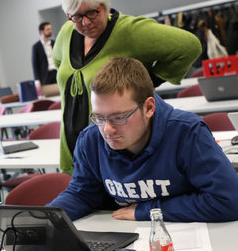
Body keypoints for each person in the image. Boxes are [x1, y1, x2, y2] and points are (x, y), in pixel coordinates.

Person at [49, 57, 238, 222]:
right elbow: (81, 195)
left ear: (148, 108)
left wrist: (148, 210)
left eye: (119, 117)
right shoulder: (90, 140)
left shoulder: (187, 133)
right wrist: (42, 220)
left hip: (186, 237)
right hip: (125, 237)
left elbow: (229, 201)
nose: (107, 129)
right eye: (99, 117)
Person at [53, 0, 202, 175]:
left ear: (104, 6)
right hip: (71, 147)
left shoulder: (129, 31)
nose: (85, 22)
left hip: (113, 148)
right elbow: (59, 62)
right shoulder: (66, 33)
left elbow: (189, 46)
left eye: (92, 13)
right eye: (76, 16)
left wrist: (147, 82)